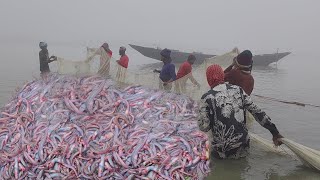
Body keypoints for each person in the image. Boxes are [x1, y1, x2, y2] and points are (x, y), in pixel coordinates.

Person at [197, 64, 283, 159]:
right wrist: (275, 132)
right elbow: (257, 112)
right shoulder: (238, 90)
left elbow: (204, 127)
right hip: (243, 144)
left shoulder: (206, 97)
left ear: (208, 78)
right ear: (222, 75)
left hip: (222, 151)